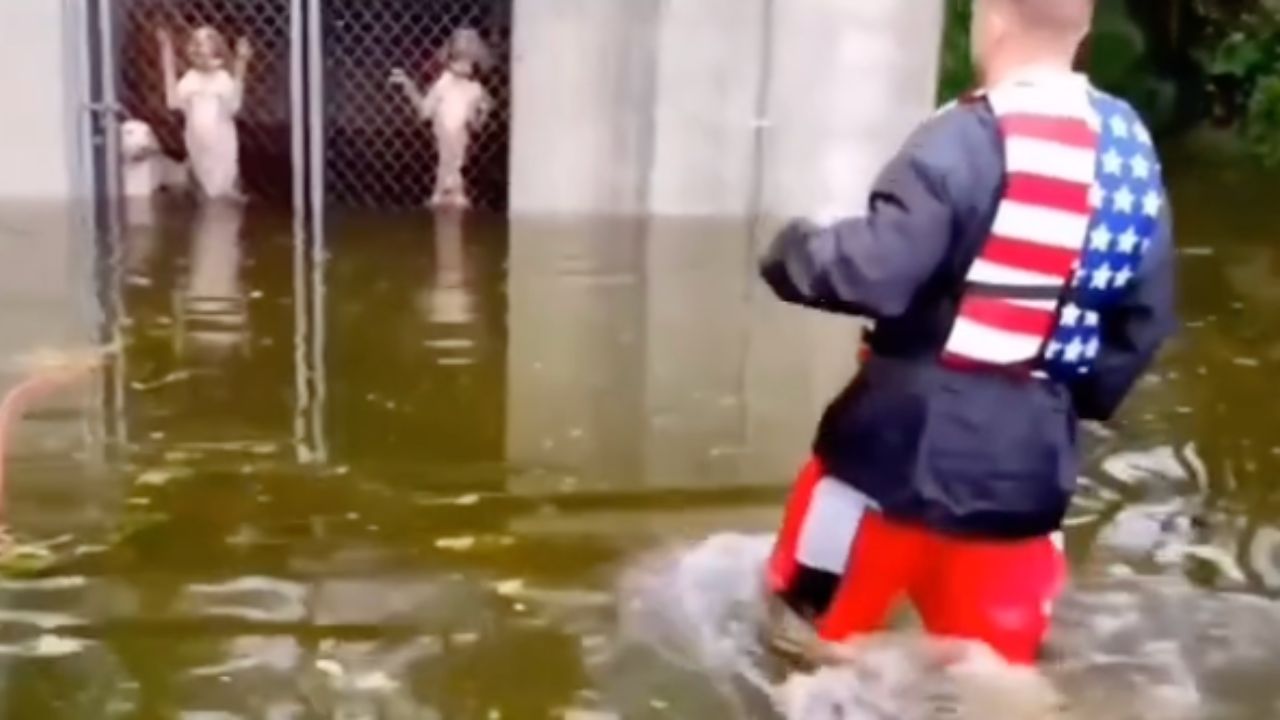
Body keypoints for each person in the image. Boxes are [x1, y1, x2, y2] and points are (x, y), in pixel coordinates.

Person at [760, 0, 1176, 666]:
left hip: (886, 459)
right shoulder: (1129, 153)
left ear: (991, 17)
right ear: (1084, 28)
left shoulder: (962, 138)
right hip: (1026, 479)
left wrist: (791, 253)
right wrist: (1059, 404)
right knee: (998, 676)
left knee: (800, 638)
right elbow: (1145, 317)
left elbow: (878, 271)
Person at [389, 28, 494, 209]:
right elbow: (425, 112)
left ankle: (448, 188)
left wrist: (482, 111)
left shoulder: (474, 89)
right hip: (448, 170)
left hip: (455, 169)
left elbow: (476, 126)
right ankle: (447, 188)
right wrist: (408, 84)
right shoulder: (449, 85)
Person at [159, 25, 253, 201]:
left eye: (204, 41)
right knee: (204, 194)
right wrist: (167, 54)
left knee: (224, 191)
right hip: (197, 147)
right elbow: (172, 102)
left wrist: (241, 63)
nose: (197, 45)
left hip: (221, 148)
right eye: (195, 41)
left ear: (217, 50)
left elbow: (234, 105)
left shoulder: (222, 79)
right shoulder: (190, 78)